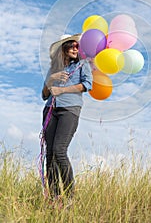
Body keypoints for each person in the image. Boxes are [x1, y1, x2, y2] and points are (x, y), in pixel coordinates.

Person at [41, 33, 93, 200]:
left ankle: (70, 196)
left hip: (69, 110)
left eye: (77, 46)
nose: (75, 48)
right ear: (63, 48)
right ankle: (54, 197)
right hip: (50, 109)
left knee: (59, 150)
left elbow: (87, 85)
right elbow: (44, 95)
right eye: (71, 45)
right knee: (50, 154)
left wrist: (62, 90)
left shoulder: (82, 65)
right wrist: (51, 80)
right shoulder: (53, 70)